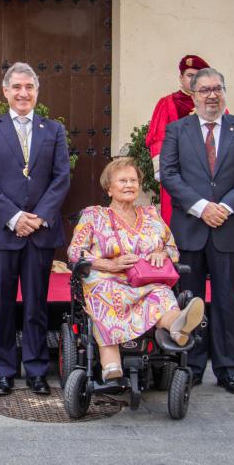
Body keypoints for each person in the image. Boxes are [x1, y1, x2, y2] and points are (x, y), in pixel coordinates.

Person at [160, 68, 234, 394]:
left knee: (227, 302)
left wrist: (225, 208)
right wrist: (203, 207)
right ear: (193, 95)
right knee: (191, 303)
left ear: (224, 92)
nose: (211, 95)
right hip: (190, 228)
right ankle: (190, 365)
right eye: (204, 90)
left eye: (217, 88)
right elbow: (170, 174)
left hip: (228, 229)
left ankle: (229, 369)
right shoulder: (177, 130)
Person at [0, 62, 70, 396]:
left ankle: (36, 369)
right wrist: (15, 217)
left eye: (29, 87)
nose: (23, 93)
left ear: (37, 91)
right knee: (1, 304)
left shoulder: (53, 130)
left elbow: (61, 178)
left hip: (40, 233)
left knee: (36, 305)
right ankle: (2, 369)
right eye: (16, 87)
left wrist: (38, 216)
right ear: (5, 91)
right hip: (2, 233)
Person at [67, 159, 205, 379]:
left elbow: (172, 248)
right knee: (105, 293)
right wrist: (110, 264)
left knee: (161, 293)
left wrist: (162, 254)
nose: (129, 185)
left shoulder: (151, 215)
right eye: (122, 181)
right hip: (107, 278)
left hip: (146, 280)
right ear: (109, 188)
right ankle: (110, 361)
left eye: (133, 180)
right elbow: (76, 252)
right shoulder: (94, 216)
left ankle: (178, 326)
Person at [145, 54, 210, 224]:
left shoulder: (214, 104)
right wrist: (164, 174)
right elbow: (158, 139)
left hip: (208, 176)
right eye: (190, 75)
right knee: (176, 224)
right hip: (176, 175)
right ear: (181, 78)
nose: (194, 80)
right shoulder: (167, 103)